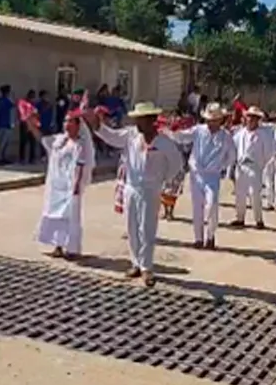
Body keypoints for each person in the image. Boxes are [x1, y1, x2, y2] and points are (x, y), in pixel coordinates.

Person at [88, 101, 183, 286]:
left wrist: (162, 179)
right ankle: (136, 263)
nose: (138, 123)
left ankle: (147, 267)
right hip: (131, 187)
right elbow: (111, 137)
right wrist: (97, 124)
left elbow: (177, 164)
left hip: (150, 189)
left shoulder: (164, 142)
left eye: (141, 120)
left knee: (146, 229)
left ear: (151, 121)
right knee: (132, 228)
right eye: (137, 120)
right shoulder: (131, 135)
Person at [28, 107, 95, 258]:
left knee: (70, 218)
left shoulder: (81, 144)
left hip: (71, 188)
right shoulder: (59, 140)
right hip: (56, 187)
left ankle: (72, 249)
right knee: (55, 216)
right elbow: (42, 139)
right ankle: (57, 246)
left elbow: (81, 165)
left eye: (70, 121)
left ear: (78, 125)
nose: (66, 124)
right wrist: (31, 124)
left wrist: (77, 187)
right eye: (65, 121)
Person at [168, 102, 235, 249]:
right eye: (209, 119)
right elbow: (183, 137)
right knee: (197, 208)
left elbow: (231, 156)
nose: (211, 122)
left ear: (220, 120)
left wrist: (221, 167)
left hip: (212, 176)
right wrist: (173, 131)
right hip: (196, 174)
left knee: (211, 206)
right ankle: (198, 239)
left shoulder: (226, 136)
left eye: (214, 120)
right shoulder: (199, 130)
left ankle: (210, 236)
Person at [230, 106, 274, 229]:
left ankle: (258, 220)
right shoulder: (240, 133)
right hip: (241, 166)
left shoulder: (263, 134)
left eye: (254, 118)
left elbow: (269, 152)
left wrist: (261, 164)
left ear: (258, 119)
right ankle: (240, 218)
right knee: (240, 194)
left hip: (254, 166)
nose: (251, 119)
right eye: (249, 117)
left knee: (255, 194)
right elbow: (233, 147)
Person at [160, 112, 194, 220]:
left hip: (179, 165)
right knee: (164, 189)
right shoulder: (164, 135)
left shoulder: (183, 136)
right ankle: (166, 211)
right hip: (165, 165)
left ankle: (170, 212)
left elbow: (187, 150)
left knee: (173, 190)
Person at [0, 85, 15, 164]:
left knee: (7, 142)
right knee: (2, 142)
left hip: (8, 124)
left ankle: (4, 157)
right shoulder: (2, 100)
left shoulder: (7, 100)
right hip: (3, 124)